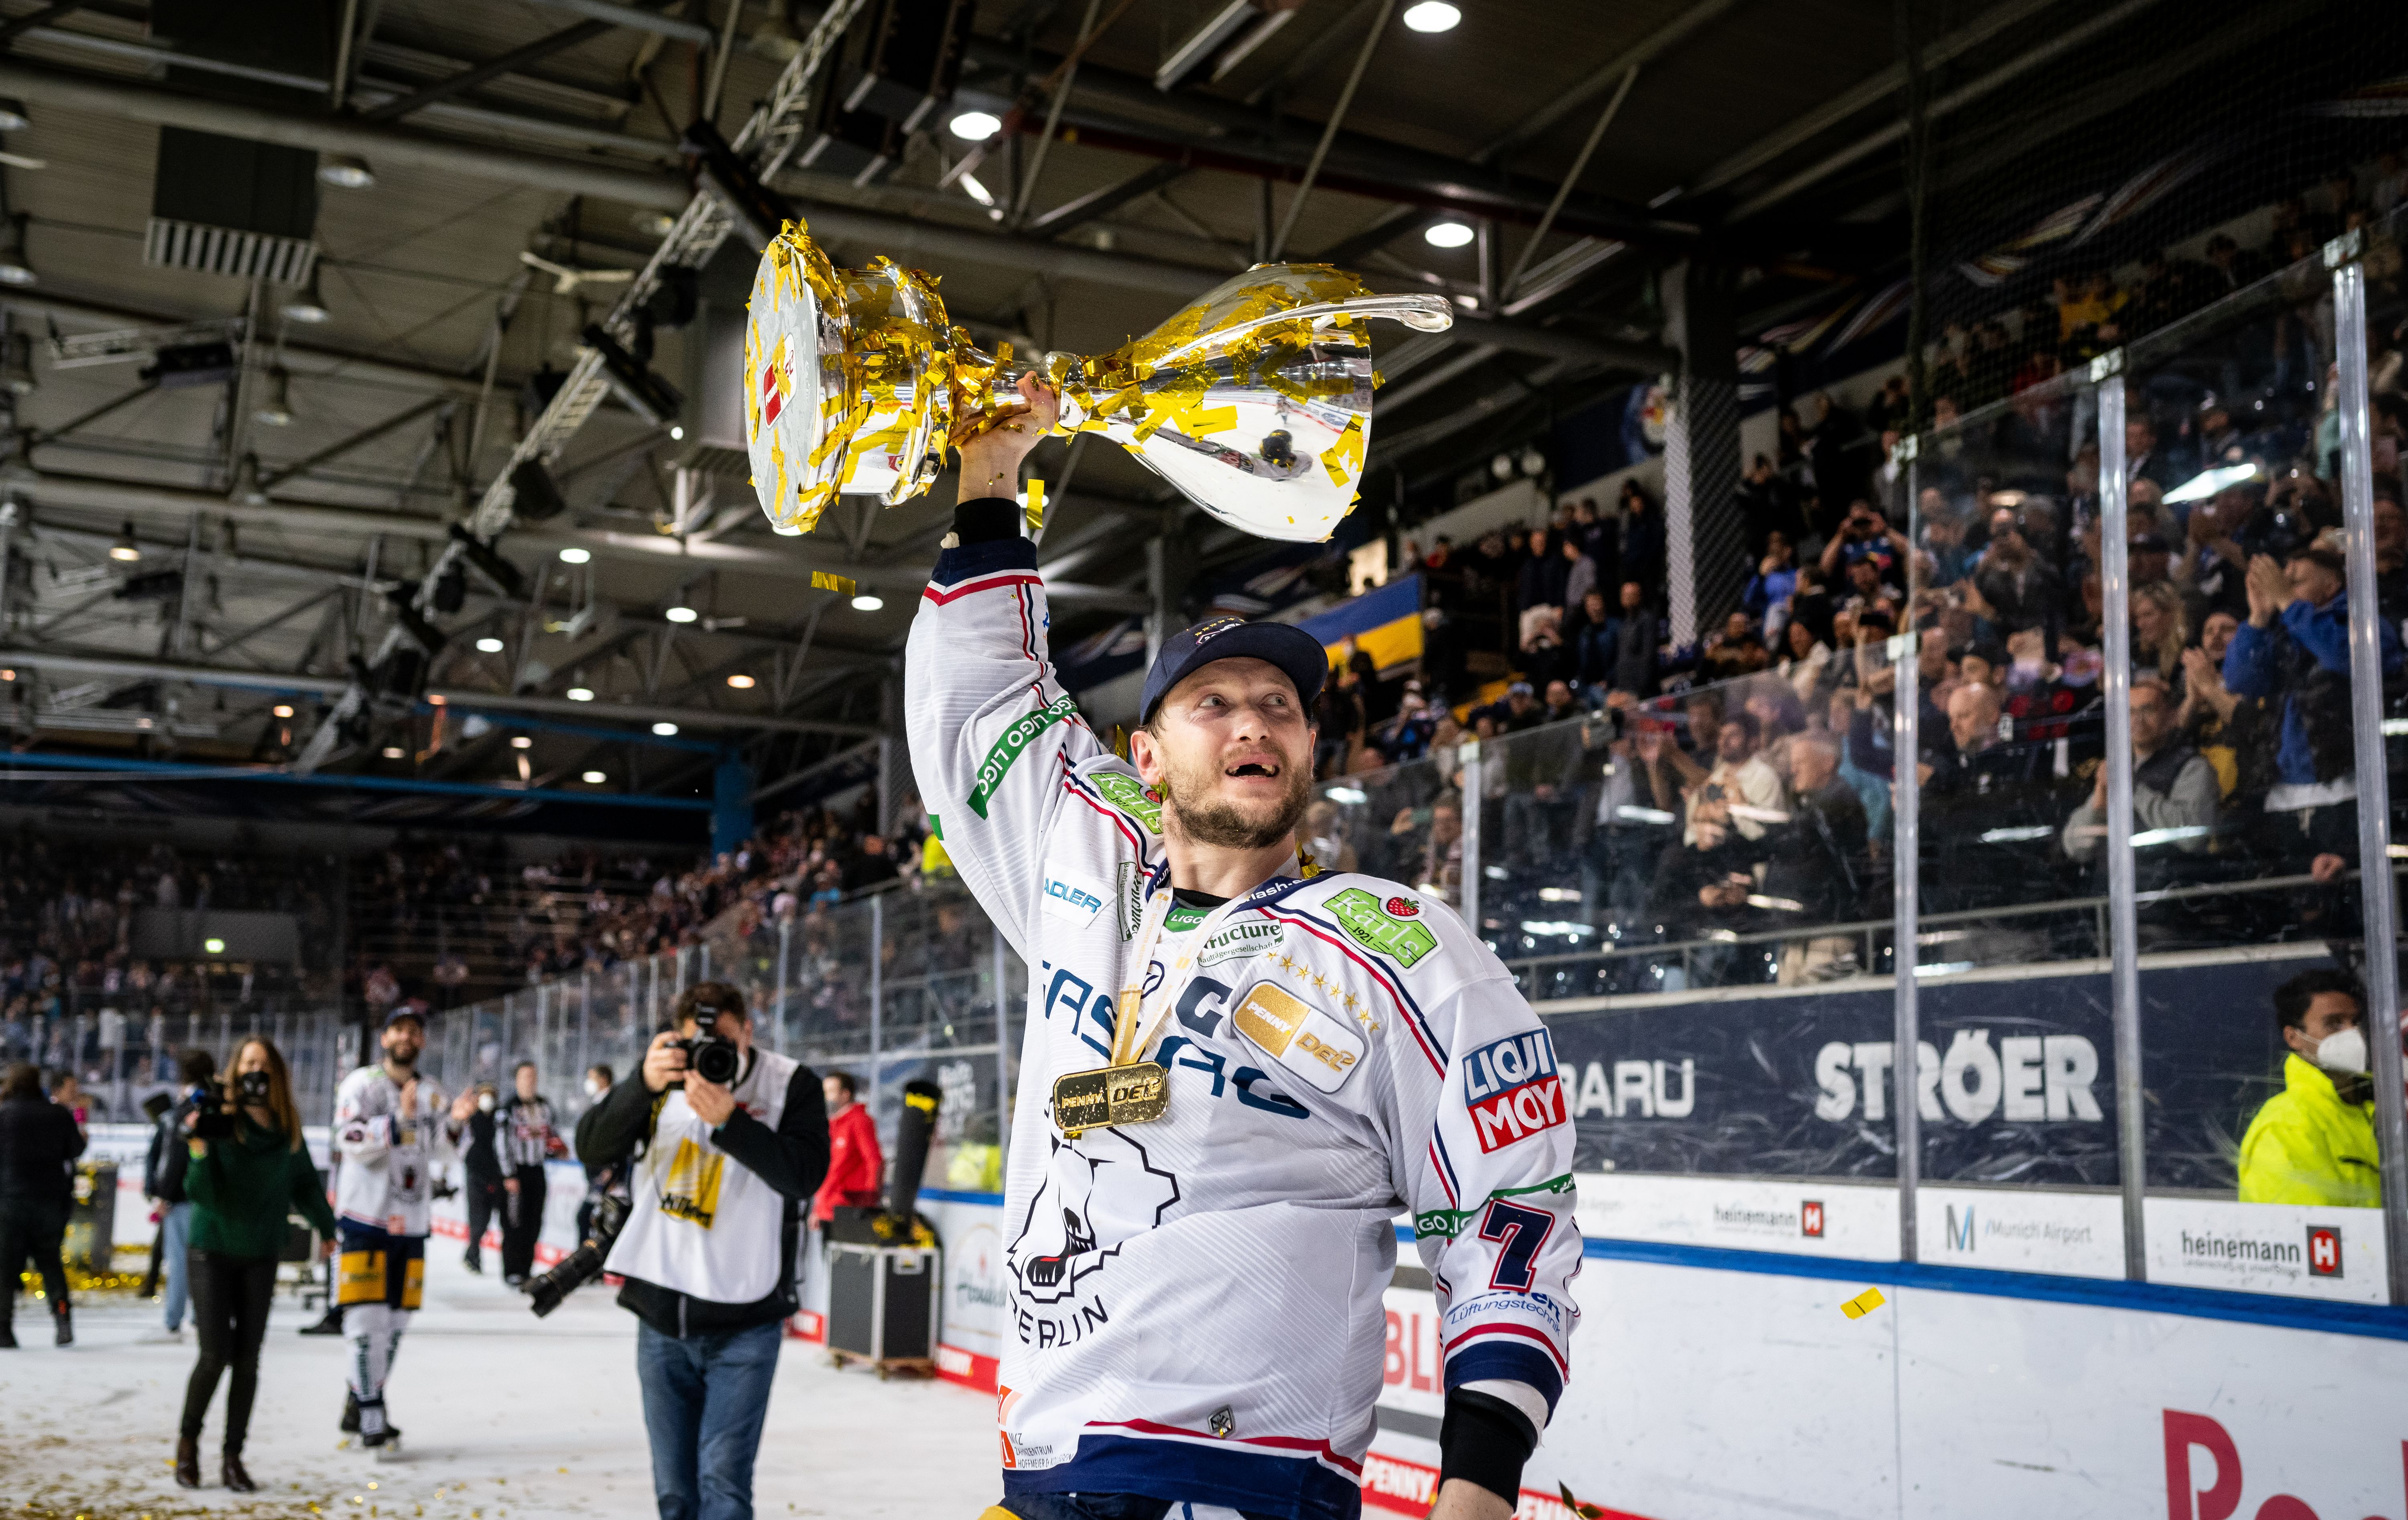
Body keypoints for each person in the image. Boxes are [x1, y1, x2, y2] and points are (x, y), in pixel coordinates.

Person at [906, 373, 1577, 1520]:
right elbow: (979, 702)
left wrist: (1480, 1489)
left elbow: (1512, 1210)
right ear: (1147, 757)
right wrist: (988, 481)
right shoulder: (1087, 866)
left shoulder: (1393, 946)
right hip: (1043, 1461)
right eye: (1214, 703)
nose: (1256, 719)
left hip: (1243, 1478)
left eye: (1280, 704)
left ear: (1309, 751)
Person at [579, 982, 829, 1520]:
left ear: (748, 1031)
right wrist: (641, 1084)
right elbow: (593, 1148)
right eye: (700, 1042)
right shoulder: (660, 1078)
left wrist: (732, 1121)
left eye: (726, 1040)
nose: (713, 1053)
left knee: (724, 1485)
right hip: (661, 1314)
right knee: (675, 1491)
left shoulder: (791, 1083)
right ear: (679, 1038)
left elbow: (804, 1176)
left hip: (748, 1318)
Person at [175, 1036, 339, 1492]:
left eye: (265, 1064)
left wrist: (326, 1228)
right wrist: (201, 1147)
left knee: (248, 1360)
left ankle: (233, 1457)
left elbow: (305, 1182)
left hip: (261, 1252)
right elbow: (202, 1193)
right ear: (235, 1069)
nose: (256, 1072)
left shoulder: (286, 1129)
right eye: (249, 1063)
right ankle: (188, 1444)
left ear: (278, 1074)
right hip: (212, 1247)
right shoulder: (221, 1118)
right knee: (215, 1355)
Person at [333, 1007, 479, 1457]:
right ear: (384, 1038)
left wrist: (456, 1120)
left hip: (412, 1223)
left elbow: (446, 1151)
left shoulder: (434, 1091)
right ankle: (373, 1414)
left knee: (395, 1325)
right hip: (365, 1219)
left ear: (422, 1041)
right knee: (365, 1323)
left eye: (414, 1030)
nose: (406, 1037)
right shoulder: (362, 1084)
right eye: (398, 1029)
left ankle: (360, 1402)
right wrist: (399, 1118)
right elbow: (349, 1139)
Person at [2237, 969, 2380, 1206]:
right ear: (2294, 1038)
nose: (2352, 1034)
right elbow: (2308, 1234)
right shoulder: (2286, 1128)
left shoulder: (2383, 1106)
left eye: (2356, 1022)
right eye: (2334, 1024)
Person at [0, 1061, 84, 1347]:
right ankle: (63, 1322)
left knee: (6, 1269)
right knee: (50, 1263)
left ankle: (4, 1329)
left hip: (10, 1203)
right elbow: (76, 1150)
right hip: (49, 1200)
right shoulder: (58, 1114)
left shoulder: (4, 1114)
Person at [141, 1047, 218, 1344]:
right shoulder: (216, 1104)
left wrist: (164, 1194)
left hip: (185, 1197)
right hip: (209, 1197)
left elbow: (174, 1158)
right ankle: (201, 1315)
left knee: (181, 1261)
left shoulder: (186, 1109)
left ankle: (174, 1317)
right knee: (206, 1260)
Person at [497, 1060, 561, 1287]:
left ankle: (526, 1269)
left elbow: (552, 1136)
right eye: (525, 1077)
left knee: (535, 1221)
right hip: (517, 1172)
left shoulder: (545, 1107)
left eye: (533, 1077)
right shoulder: (508, 1109)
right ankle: (512, 1270)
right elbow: (502, 1143)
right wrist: (508, 1175)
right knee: (515, 1223)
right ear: (517, 1081)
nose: (530, 1081)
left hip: (537, 1171)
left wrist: (558, 1149)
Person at [812, 1071, 883, 1228]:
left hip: (849, 1211)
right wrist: (819, 1208)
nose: (825, 1098)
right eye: (824, 1092)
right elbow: (829, 1170)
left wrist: (869, 1203)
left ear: (845, 1095)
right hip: (827, 1209)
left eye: (830, 1092)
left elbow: (874, 1161)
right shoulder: (831, 1125)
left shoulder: (860, 1122)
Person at [460, 1081, 504, 1275]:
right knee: (478, 1219)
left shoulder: (501, 1119)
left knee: (492, 1219)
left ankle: (472, 1253)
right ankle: (474, 1255)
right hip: (476, 1174)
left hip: (496, 1175)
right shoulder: (471, 1119)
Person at [576, 1064, 616, 1246]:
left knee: (589, 1218)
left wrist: (612, 1168)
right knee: (587, 1219)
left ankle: (589, 1262)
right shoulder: (598, 1103)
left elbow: (615, 1138)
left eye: (592, 1077)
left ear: (603, 1079)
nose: (589, 1082)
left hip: (607, 1176)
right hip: (596, 1175)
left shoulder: (611, 1104)